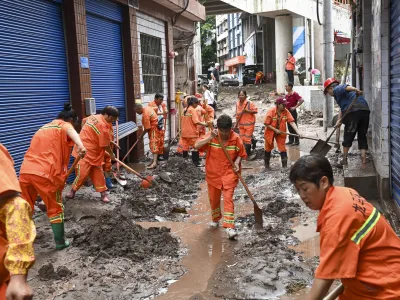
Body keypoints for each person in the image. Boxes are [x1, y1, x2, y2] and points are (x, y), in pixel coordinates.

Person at [289, 155, 400, 300]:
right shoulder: (345, 192)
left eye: (305, 188)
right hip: (380, 273)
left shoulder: (336, 219)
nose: (302, 196)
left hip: (384, 287)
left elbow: (325, 276)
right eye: (298, 191)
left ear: (323, 182)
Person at [20, 103, 86, 250]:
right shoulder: (63, 125)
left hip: (26, 171)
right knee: (55, 208)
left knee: (26, 205)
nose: (74, 125)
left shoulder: (43, 127)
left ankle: (23, 240)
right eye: (75, 122)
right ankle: (61, 242)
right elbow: (72, 132)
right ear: (70, 119)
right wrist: (80, 145)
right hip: (46, 174)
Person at [194, 115, 247, 239]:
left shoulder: (236, 138)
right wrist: (210, 137)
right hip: (213, 174)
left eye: (226, 131)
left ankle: (230, 227)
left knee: (228, 198)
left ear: (231, 128)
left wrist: (237, 163)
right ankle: (215, 218)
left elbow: (241, 154)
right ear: (218, 129)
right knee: (214, 199)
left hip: (229, 174)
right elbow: (196, 146)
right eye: (222, 131)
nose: (224, 134)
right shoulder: (212, 136)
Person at [0, 143, 36, 299]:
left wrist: (18, 275)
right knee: (54, 205)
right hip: (46, 172)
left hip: (29, 171)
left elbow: (15, 206)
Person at [66, 106, 118, 203]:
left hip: (95, 154)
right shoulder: (103, 125)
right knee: (82, 174)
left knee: (98, 174)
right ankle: (72, 191)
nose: (113, 121)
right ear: (106, 114)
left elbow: (84, 121)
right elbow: (105, 145)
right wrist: (112, 154)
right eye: (112, 118)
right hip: (85, 152)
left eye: (115, 119)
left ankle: (103, 194)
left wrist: (86, 133)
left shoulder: (94, 117)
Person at [324, 78, 370, 167]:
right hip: (365, 110)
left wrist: (355, 89)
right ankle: (364, 161)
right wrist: (339, 120)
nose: (329, 94)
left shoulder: (337, 89)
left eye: (327, 91)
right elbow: (342, 109)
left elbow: (346, 87)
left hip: (353, 111)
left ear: (330, 88)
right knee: (362, 135)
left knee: (348, 136)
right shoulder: (340, 96)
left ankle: (344, 160)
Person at [264, 98, 302, 169]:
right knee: (268, 148)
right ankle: (267, 166)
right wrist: (275, 130)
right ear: (278, 105)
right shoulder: (271, 112)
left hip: (281, 132)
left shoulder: (286, 111)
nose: (285, 106)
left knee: (282, 149)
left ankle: (284, 167)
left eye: (285, 105)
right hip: (270, 132)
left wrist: (298, 132)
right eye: (283, 105)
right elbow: (266, 123)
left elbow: (292, 122)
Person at [179, 96, 207, 166]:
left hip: (184, 133)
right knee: (195, 147)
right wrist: (205, 124)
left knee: (185, 147)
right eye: (197, 104)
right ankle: (196, 163)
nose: (197, 105)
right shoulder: (193, 110)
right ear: (193, 103)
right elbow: (196, 122)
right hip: (192, 133)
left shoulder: (184, 110)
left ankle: (184, 161)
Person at [133, 103, 162, 169]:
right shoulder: (148, 108)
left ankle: (154, 163)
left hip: (154, 129)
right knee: (155, 144)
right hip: (155, 128)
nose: (137, 113)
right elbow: (155, 109)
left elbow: (147, 128)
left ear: (140, 109)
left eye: (137, 111)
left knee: (154, 144)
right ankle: (154, 161)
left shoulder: (145, 114)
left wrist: (141, 136)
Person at [235, 90, 258, 158]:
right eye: (240, 95)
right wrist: (236, 124)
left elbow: (256, 111)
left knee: (247, 139)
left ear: (245, 96)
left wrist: (247, 111)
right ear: (238, 96)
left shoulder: (249, 103)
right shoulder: (237, 104)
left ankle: (248, 154)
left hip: (249, 124)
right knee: (242, 139)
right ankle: (253, 141)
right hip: (241, 124)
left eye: (242, 95)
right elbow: (237, 114)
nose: (241, 96)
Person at [148, 93, 168, 161]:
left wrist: (165, 110)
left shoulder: (162, 104)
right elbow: (152, 113)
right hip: (154, 126)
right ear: (155, 99)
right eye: (160, 100)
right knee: (155, 141)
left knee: (161, 140)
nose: (161, 101)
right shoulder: (151, 104)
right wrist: (163, 113)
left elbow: (165, 110)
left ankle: (160, 155)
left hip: (161, 124)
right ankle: (155, 158)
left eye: (162, 100)